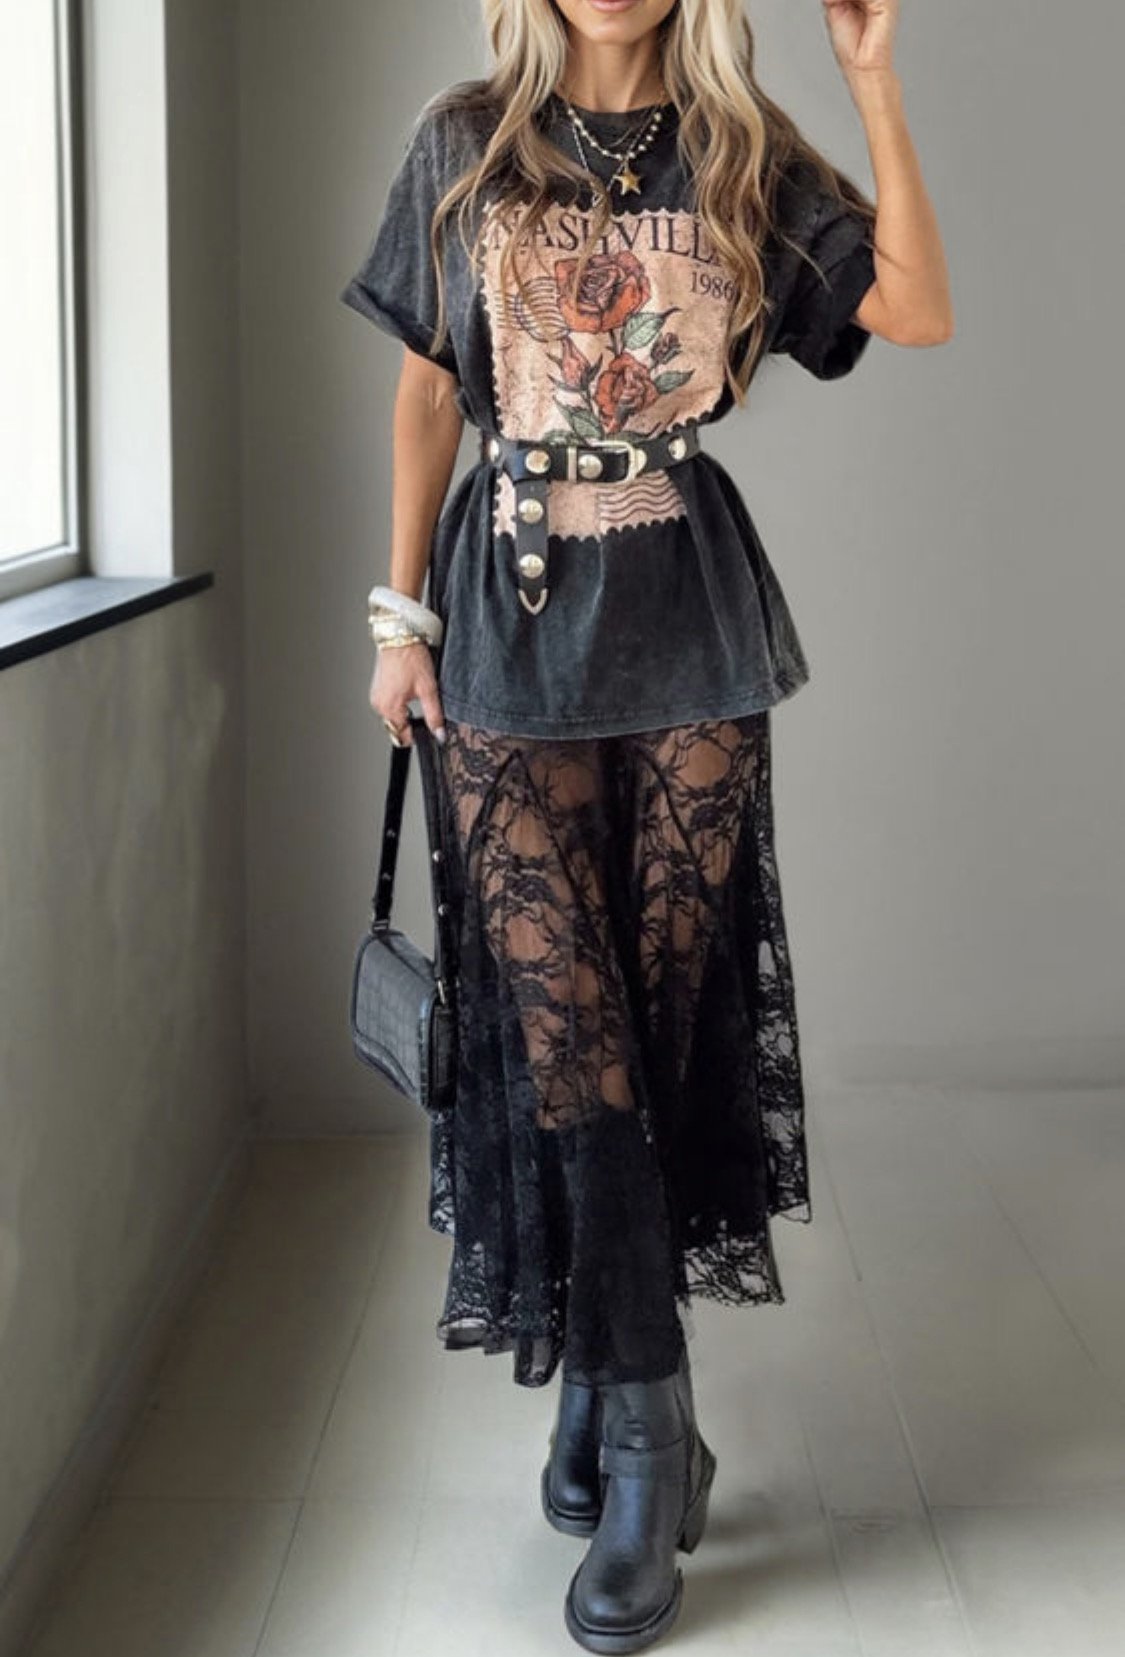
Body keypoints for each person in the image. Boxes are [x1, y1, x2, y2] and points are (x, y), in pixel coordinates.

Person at [341, 1, 952, 1649]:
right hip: (503, 621)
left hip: (685, 627)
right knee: (572, 1046)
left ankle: (611, 1389)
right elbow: (425, 391)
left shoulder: (740, 153)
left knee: (661, 1032)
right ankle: (643, 1427)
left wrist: (872, 80)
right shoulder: (463, 141)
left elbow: (914, 307)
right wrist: (399, 619)